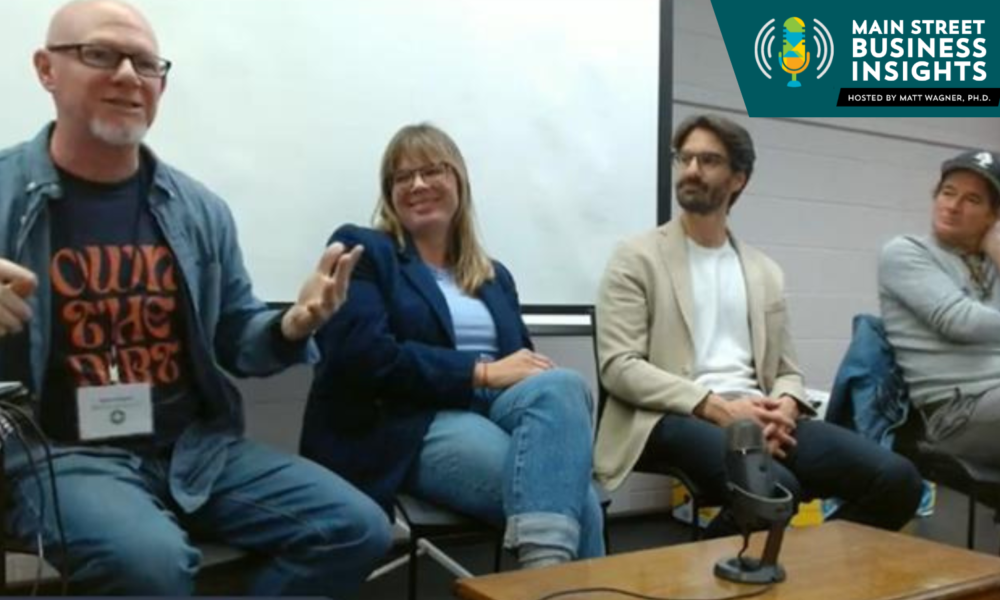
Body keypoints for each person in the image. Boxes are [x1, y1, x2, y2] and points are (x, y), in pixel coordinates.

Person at [0, 0, 391, 594]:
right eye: (100, 55)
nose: (129, 76)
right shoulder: (6, 192)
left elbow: (237, 337)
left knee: (357, 526)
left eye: (146, 63)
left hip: (193, 450)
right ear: (46, 69)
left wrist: (293, 325)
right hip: (62, 455)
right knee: (151, 563)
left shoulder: (198, 209)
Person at [594, 114, 922, 536]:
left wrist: (784, 407)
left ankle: (814, 577)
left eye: (708, 160)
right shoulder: (635, 256)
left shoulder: (764, 270)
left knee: (898, 481)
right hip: (674, 414)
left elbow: (788, 371)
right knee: (773, 491)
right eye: (685, 158)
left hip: (758, 415)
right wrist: (722, 410)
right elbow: (620, 366)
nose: (691, 169)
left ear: (738, 180)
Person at [301, 123, 604, 568]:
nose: (418, 184)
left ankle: (543, 579)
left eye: (432, 170)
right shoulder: (363, 250)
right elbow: (361, 356)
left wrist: (520, 378)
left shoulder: (494, 276)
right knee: (581, 505)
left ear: (459, 181)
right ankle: (546, 582)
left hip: (487, 412)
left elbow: (520, 365)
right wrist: (479, 372)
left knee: (563, 385)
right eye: (402, 177)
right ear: (389, 193)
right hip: (406, 420)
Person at [879, 149, 1000, 478]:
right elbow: (960, 322)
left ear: (994, 215)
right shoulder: (906, 252)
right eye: (948, 193)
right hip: (957, 412)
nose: (953, 206)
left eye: (972, 199)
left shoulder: (993, 262)